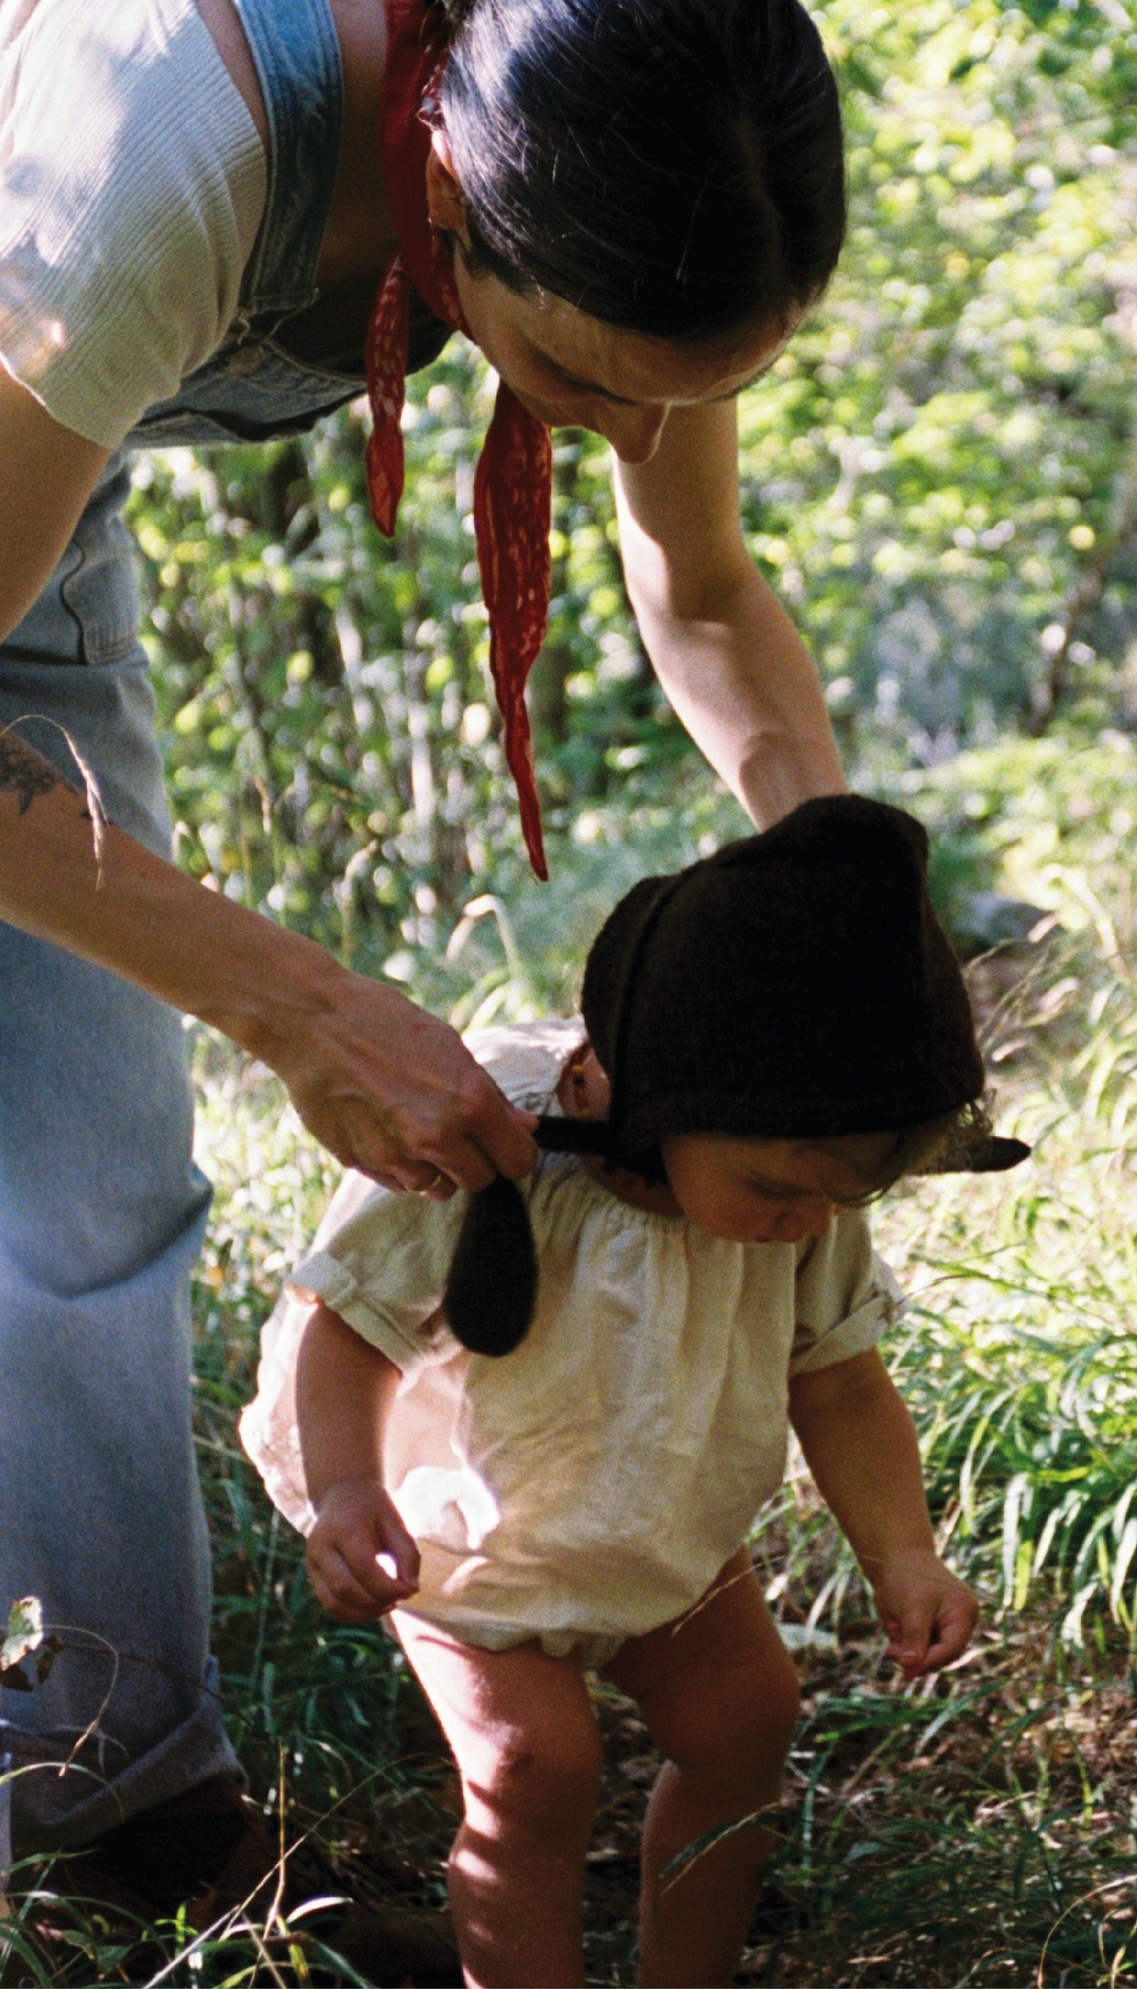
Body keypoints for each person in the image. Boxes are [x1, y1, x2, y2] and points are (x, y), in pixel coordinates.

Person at [0, 0, 846, 1899]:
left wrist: (833, 876)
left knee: (95, 1159)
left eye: (696, 394)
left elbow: (704, 580)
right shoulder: (155, 155)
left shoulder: (639, 123)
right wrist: (306, 1007)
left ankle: (113, 1777)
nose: (640, 432)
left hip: (37, 464)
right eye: (583, 390)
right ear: (449, 194)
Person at [241, 796, 987, 1988]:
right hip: (472, 1552)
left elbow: (839, 1383)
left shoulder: (805, 1192)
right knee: (534, 1773)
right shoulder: (483, 1141)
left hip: (666, 1535)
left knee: (749, 1725)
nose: (810, 1223)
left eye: (845, 1201)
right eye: (780, 1189)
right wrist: (344, 1488)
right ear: (642, 1090)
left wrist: (904, 1552)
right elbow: (349, 1327)